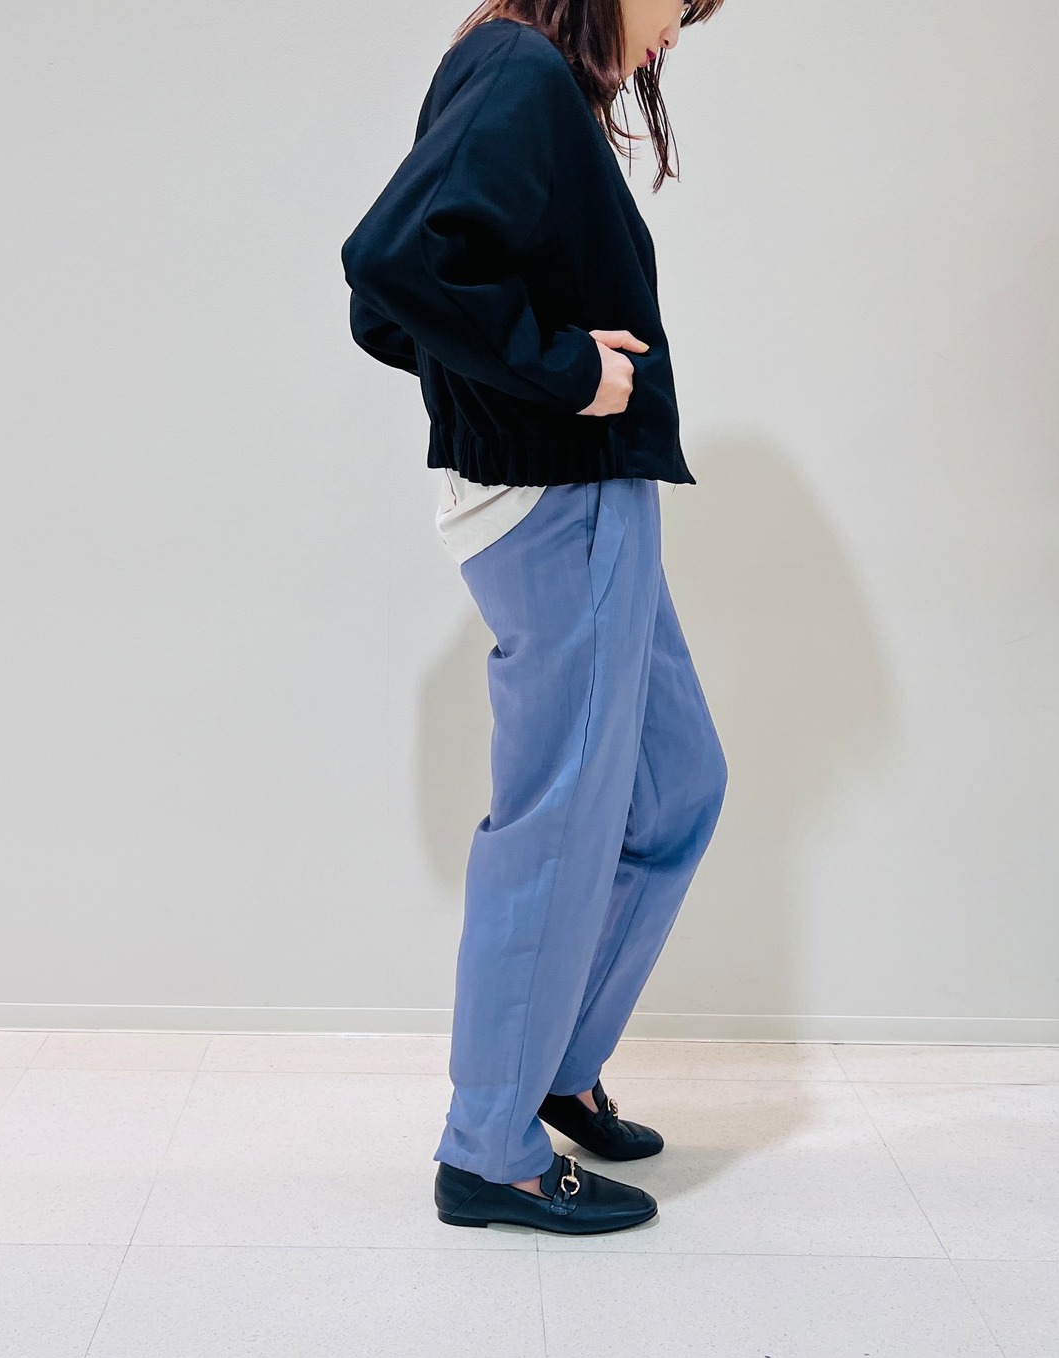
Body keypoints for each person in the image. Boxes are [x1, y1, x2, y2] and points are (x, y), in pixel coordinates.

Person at [340, 0, 729, 1235]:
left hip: (584, 496)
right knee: (559, 818)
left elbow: (396, 302)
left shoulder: (519, 72)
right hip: (563, 502)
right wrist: (562, 371)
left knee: (676, 786)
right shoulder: (514, 67)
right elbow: (389, 265)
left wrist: (515, 371)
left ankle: (551, 1065)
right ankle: (489, 1147)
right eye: (680, 5)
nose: (674, 36)